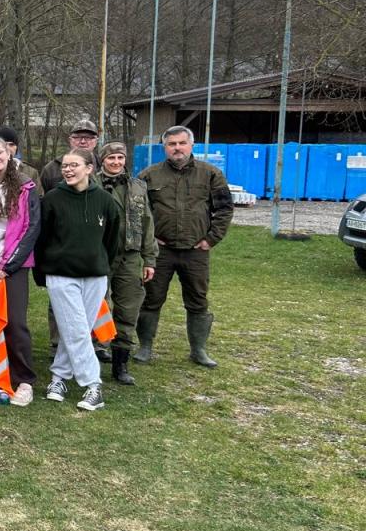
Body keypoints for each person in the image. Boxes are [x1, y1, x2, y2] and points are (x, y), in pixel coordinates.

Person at [135, 125, 234, 368]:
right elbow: (136, 212)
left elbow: (224, 209)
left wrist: (211, 239)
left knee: (198, 300)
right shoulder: (148, 176)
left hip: (196, 252)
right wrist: (148, 239)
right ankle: (145, 347)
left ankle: (198, 350)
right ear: (164, 147)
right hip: (160, 252)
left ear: (191, 145)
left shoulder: (211, 174)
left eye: (181, 143)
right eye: (172, 144)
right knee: (151, 299)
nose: (177, 148)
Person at [36, 149, 123, 412]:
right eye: (65, 165)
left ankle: (59, 378)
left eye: (74, 165)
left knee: (78, 329)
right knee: (75, 327)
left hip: (95, 276)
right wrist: (42, 272)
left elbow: (112, 240)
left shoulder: (105, 200)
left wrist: (102, 265)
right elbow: (42, 238)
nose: (68, 170)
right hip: (61, 275)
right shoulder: (52, 199)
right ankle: (93, 384)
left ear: (89, 168)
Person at [0, 136, 40, 406]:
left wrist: (9, 266)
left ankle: (24, 379)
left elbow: (32, 227)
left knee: (14, 321)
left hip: (14, 265)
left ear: (9, 154)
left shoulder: (26, 186)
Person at [97, 142, 157, 386]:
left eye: (120, 158)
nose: (116, 162)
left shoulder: (137, 186)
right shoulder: (91, 183)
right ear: (102, 160)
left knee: (128, 309)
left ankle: (120, 363)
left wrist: (149, 258)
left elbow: (147, 222)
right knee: (95, 306)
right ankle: (93, 352)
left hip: (129, 257)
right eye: (111, 157)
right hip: (99, 255)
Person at [39, 118, 100, 193]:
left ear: (96, 141)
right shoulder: (51, 169)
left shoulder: (105, 166)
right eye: (77, 137)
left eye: (88, 137)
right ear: (70, 140)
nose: (83, 141)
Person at [0, 125, 41, 189]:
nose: (8, 148)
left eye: (11, 144)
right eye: (4, 144)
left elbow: (38, 194)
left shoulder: (31, 172)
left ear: (16, 148)